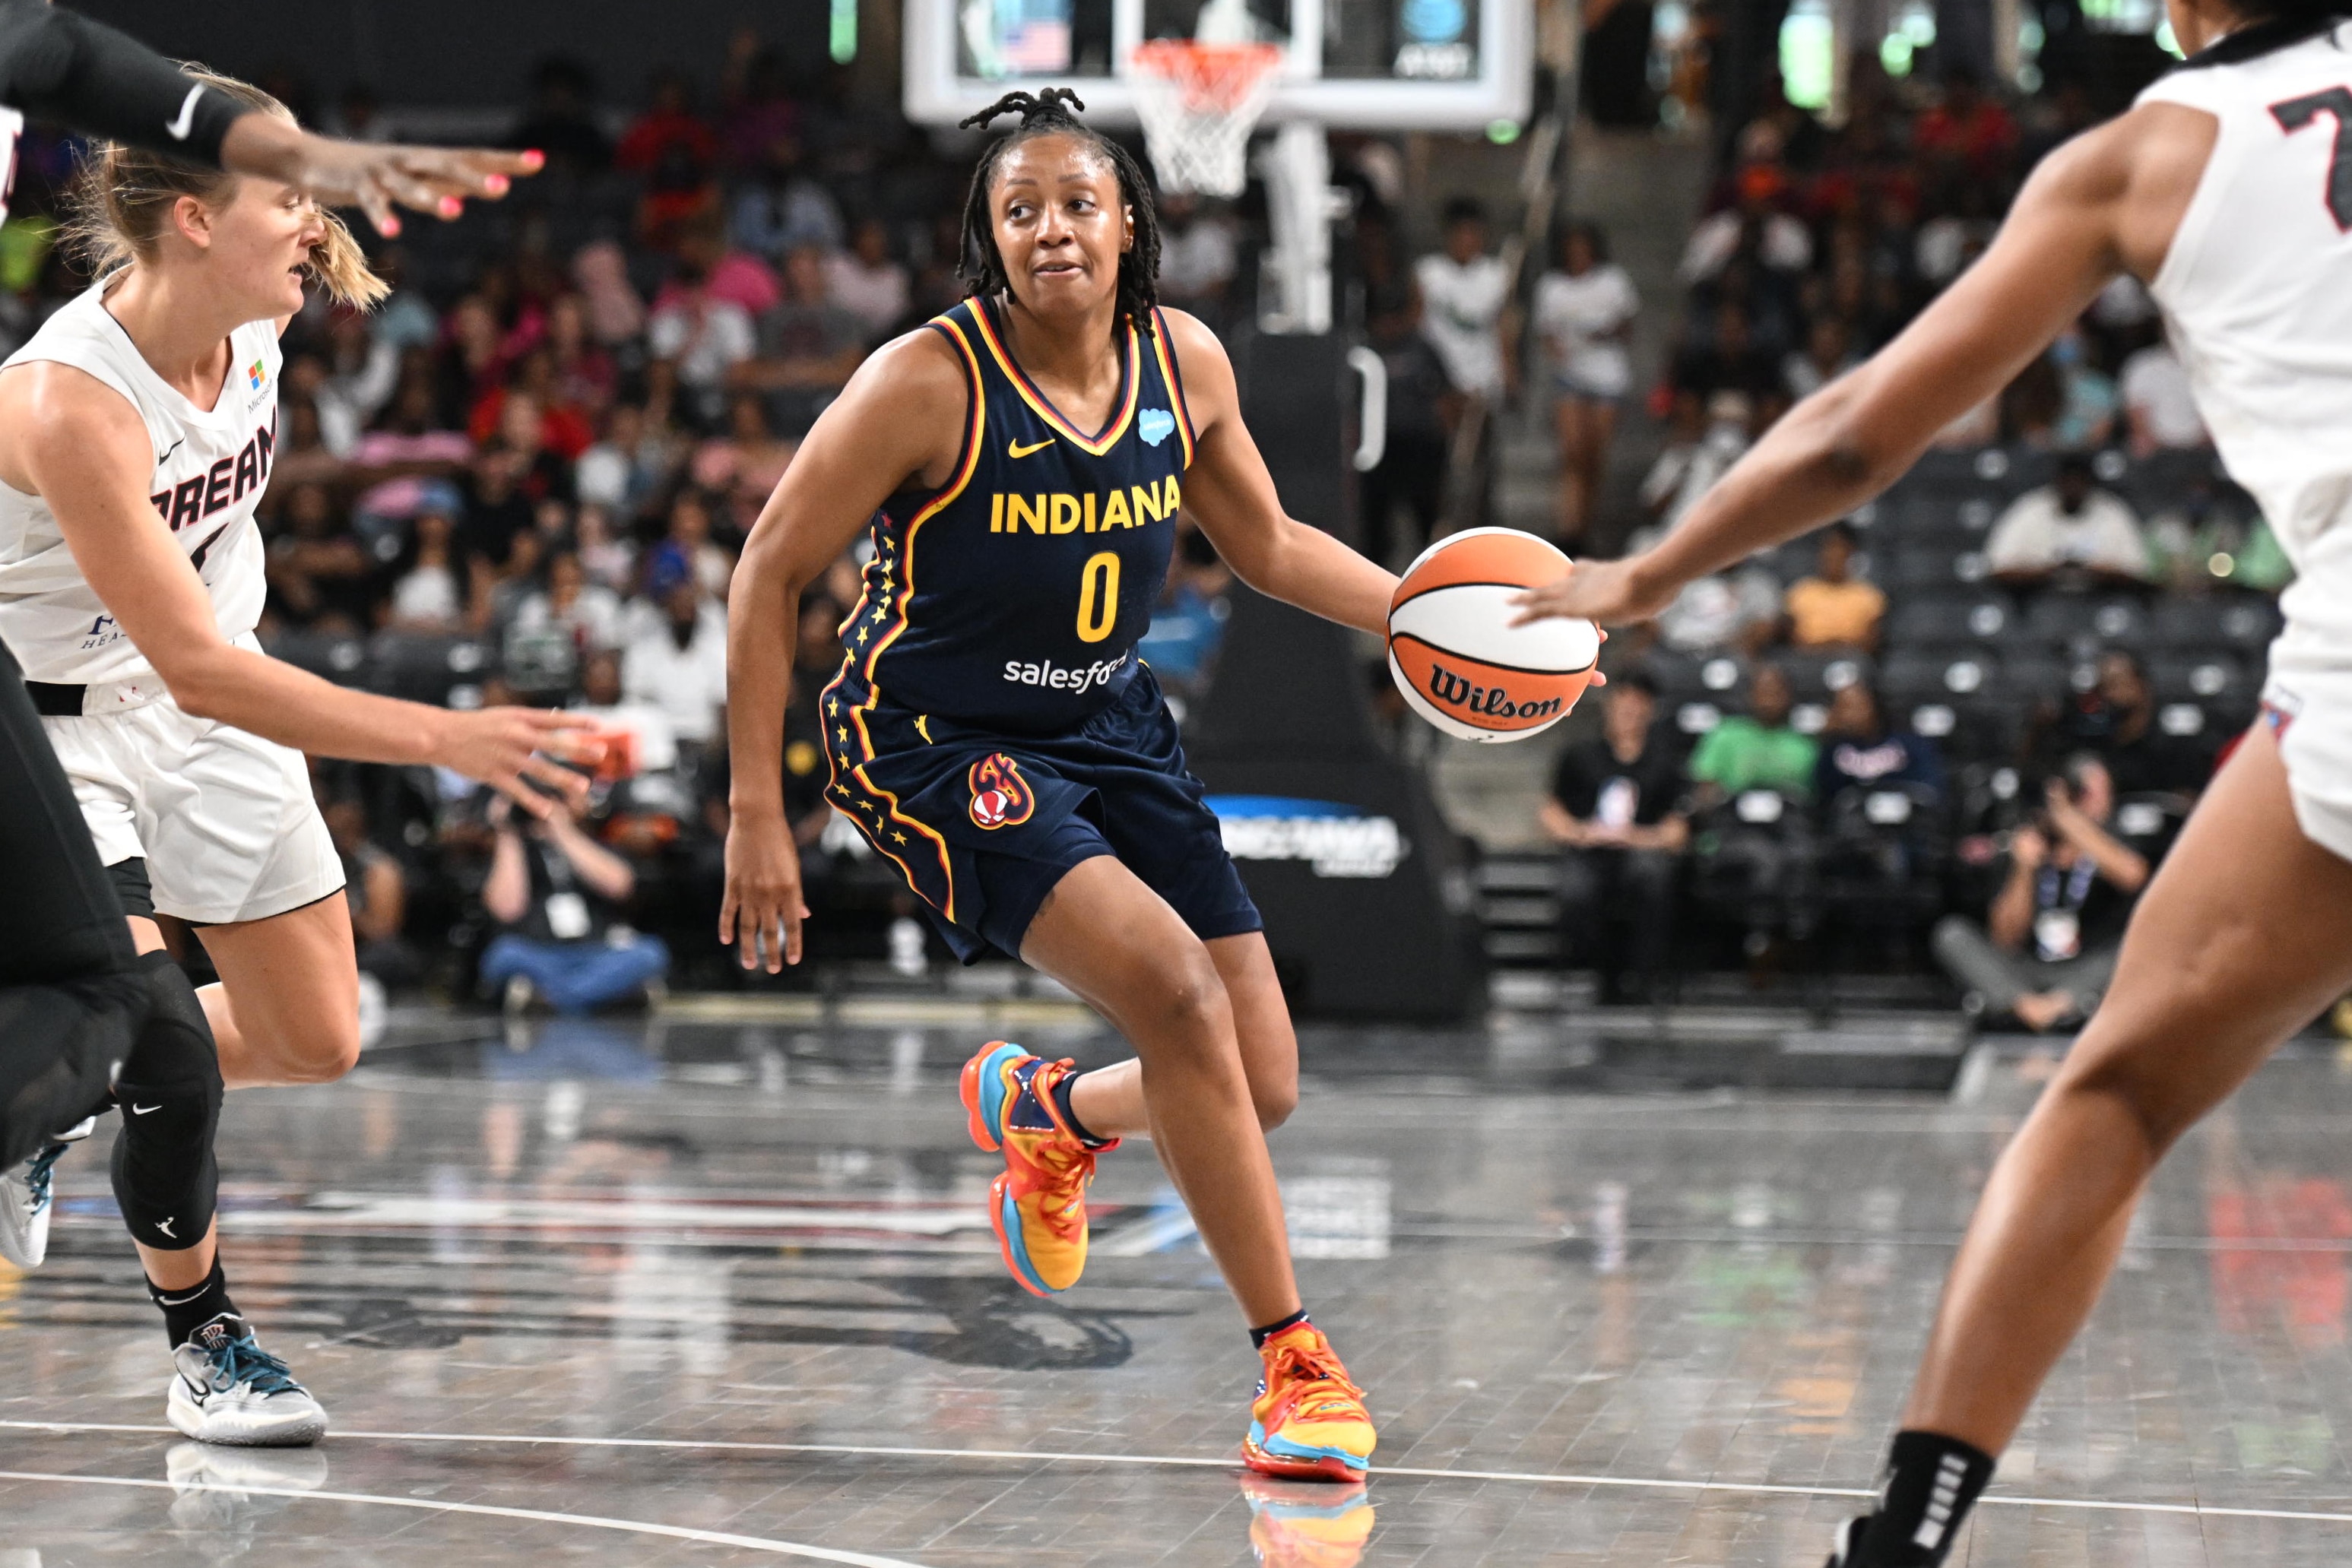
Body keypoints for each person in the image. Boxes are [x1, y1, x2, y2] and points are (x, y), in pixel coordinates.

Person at [1512, 3, 2352, 1557]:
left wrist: (1647, 572)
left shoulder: (2143, 156)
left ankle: (1900, 1538)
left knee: (2115, 1088)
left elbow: (1849, 440)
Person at [721, 88, 1396, 1484]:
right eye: (1017, 209)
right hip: (930, 739)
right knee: (1175, 994)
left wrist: (1425, 617)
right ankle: (1294, 1365)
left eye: (1075, 203)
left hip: (1106, 719)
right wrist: (752, 810)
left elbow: (1265, 545)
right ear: (988, 237)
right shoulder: (924, 379)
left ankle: (1051, 1114)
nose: (1048, 230)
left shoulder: (1184, 361)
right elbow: (768, 571)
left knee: (1257, 1078)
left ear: (1126, 220)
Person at [0, 68, 591, 1449]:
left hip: (208, 709)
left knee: (320, 1036)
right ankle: (206, 1341)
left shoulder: (259, 322)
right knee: (166, 1038)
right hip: (53, 732)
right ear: (194, 219)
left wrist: (346, 174)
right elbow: (202, 663)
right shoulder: (66, 404)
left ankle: (51, 1082)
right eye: (283, 197)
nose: (309, 224)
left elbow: (205, 668)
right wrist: (450, 736)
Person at [1933, 755, 2148, 1032]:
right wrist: (2023, 870)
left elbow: (2133, 876)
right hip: (2029, 967)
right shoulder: (2026, 842)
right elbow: (2006, 938)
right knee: (1952, 934)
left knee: (2136, 944)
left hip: (2086, 967)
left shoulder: (2112, 838)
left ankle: (2060, 1004)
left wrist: (2069, 820)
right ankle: (2030, 1008)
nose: (2098, 801)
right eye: (2089, 792)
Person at [1539, 674, 1687, 1003]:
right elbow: (1552, 812)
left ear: (1650, 710)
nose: (1629, 711)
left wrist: (1637, 837)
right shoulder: (1580, 755)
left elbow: (1677, 831)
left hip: (1642, 849)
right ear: (1610, 705)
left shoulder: (1665, 763)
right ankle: (1595, 970)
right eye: (1624, 702)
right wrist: (1581, 832)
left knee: (1650, 877)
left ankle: (1643, 974)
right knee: (1576, 891)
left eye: (1638, 704)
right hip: (1590, 850)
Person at [479, 788, 670, 1015]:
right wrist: (507, 832)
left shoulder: (592, 843)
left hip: (598, 951)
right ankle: (600, 995)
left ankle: (552, 1000)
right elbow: (506, 908)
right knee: (502, 956)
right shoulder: (514, 853)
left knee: (650, 953)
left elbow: (621, 886)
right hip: (540, 953)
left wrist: (562, 831)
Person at [1534, 221, 1639, 547]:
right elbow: (1547, 334)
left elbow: (1627, 326)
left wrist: (1603, 333)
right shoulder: (1551, 286)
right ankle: (1568, 529)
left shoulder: (1613, 282)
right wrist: (1560, 352)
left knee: (1593, 458)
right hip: (1570, 379)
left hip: (1608, 380)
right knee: (1572, 455)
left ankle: (1583, 524)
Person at [1984, 450, 2152, 588]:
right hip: (2041, 602)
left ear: (2090, 484)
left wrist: (2096, 573)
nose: (2073, 489)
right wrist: (2047, 572)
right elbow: (1998, 569)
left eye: (2079, 482)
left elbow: (2141, 573)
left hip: (2101, 601)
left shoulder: (2112, 511)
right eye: (2067, 482)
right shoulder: (2030, 509)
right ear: (2057, 483)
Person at [1782, 521, 1885, 650]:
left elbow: (1871, 643)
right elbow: (1793, 640)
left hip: (1851, 659)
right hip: (1809, 660)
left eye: (1839, 548)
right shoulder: (1801, 591)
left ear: (1850, 553)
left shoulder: (1868, 595)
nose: (1833, 555)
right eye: (1829, 548)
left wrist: (1837, 647)